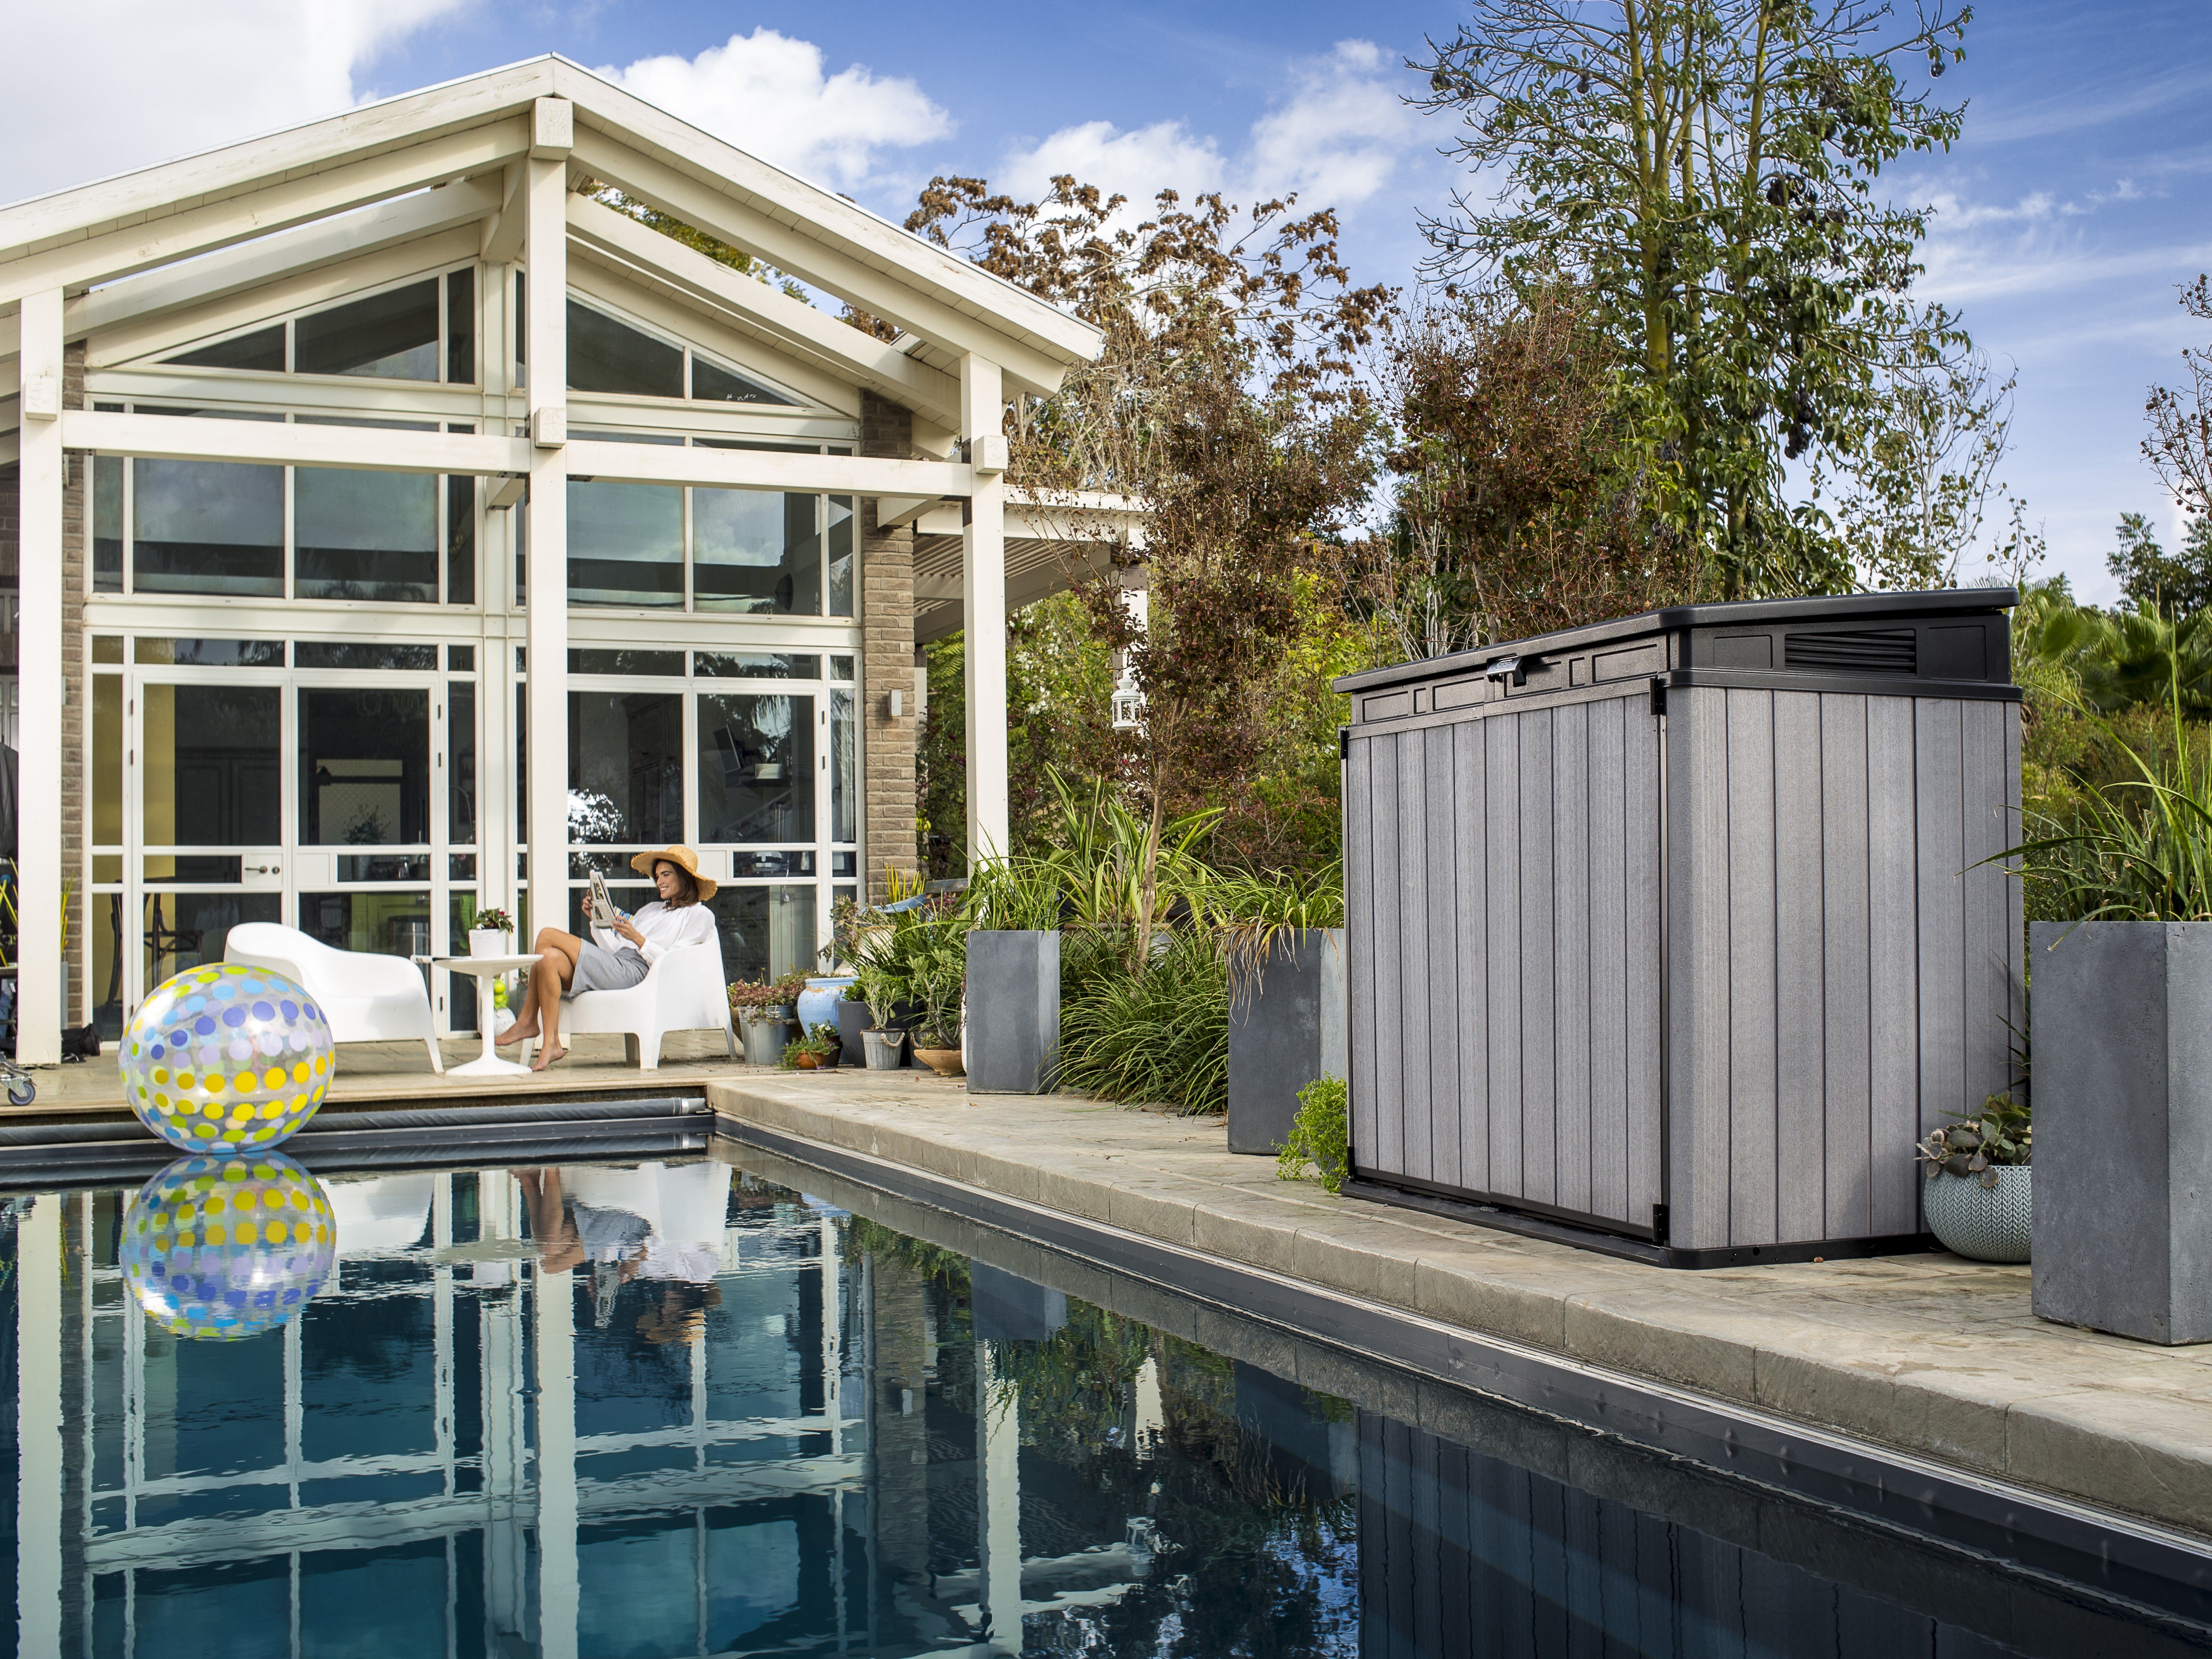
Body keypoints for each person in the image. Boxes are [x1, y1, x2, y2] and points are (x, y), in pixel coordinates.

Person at [497, 844, 719, 1068]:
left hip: (640, 973)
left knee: (546, 935)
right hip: (618, 964)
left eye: (666, 875)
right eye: (657, 876)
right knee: (548, 957)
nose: (660, 881)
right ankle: (551, 1043)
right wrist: (595, 919)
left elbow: (674, 964)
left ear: (684, 878)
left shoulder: (699, 915)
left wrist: (639, 940)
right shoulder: (651, 909)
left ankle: (526, 1021)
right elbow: (614, 950)